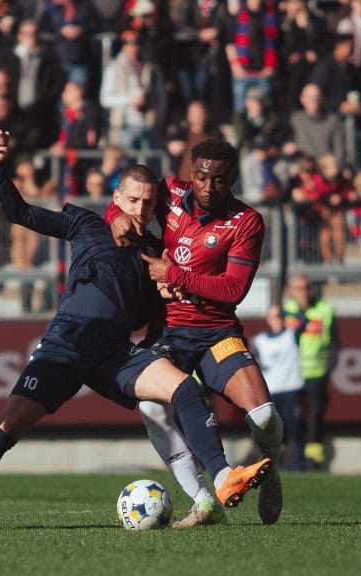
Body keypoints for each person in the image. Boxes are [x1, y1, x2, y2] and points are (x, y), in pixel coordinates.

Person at [0, 128, 271, 529]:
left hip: (113, 353)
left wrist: (167, 291)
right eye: (133, 200)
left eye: (148, 202)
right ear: (116, 199)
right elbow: (20, 213)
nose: (141, 209)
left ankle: (223, 478)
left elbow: (149, 314)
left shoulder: (156, 254)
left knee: (184, 388)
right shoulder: (86, 223)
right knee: (5, 431)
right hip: (65, 346)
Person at [107, 138, 285, 525]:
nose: (208, 186)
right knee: (152, 407)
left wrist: (173, 274)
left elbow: (234, 289)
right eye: (201, 177)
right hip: (169, 331)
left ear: (232, 178)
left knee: (265, 417)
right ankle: (205, 502)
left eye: (218, 179)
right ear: (191, 173)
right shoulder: (170, 193)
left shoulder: (246, 221)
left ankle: (270, 469)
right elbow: (129, 198)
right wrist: (113, 214)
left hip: (217, 332)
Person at [281, 273, 338, 470]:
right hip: (290, 374)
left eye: (306, 288)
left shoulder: (325, 310)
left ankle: (313, 457)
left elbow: (334, 342)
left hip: (316, 372)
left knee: (315, 415)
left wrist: (330, 367)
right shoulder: (284, 310)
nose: (303, 292)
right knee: (288, 416)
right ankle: (287, 455)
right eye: (298, 288)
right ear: (290, 290)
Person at [252, 305, 304, 471]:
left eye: (281, 316)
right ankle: (274, 465)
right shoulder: (260, 341)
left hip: (291, 388)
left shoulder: (291, 334)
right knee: (273, 433)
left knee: (294, 429)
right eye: (275, 316)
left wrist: (289, 313)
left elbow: (305, 320)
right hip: (271, 391)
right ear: (268, 319)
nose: (278, 319)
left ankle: (298, 465)